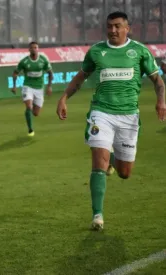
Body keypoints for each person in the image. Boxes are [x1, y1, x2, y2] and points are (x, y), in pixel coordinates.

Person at [56, 11, 165, 231]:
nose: (112, 30)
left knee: (125, 173)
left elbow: (157, 80)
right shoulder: (97, 51)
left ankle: (113, 161)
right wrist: (64, 97)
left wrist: (161, 101)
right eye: (109, 26)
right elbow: (81, 77)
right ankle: (98, 216)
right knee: (98, 160)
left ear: (127, 28)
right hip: (101, 112)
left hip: (128, 116)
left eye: (117, 26)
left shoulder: (140, 52)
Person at [11, 41, 53, 136]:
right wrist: (14, 86)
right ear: (29, 49)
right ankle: (30, 129)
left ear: (38, 49)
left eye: (35, 47)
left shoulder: (43, 60)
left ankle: (32, 105)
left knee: (35, 113)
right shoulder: (24, 61)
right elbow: (15, 73)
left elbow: (50, 73)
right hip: (28, 86)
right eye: (32, 47)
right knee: (28, 107)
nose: (34, 49)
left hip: (39, 88)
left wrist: (49, 86)